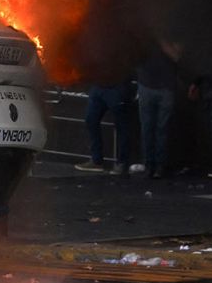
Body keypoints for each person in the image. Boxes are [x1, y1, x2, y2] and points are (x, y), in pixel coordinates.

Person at [135, 40, 179, 179]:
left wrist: (162, 41)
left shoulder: (171, 32)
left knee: (162, 128)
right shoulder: (143, 34)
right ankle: (149, 165)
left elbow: (177, 56)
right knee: (147, 128)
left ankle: (160, 166)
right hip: (147, 85)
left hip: (165, 87)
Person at [75, 79, 135, 175]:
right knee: (91, 121)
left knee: (122, 126)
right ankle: (97, 160)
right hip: (99, 84)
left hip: (117, 86)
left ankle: (122, 163)